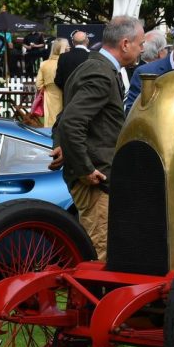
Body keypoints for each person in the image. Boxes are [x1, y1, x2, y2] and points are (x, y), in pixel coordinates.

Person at [55, 16, 145, 260]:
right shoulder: (100, 73)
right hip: (96, 180)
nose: (142, 48)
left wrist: (61, 146)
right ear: (125, 44)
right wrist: (84, 169)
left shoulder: (94, 67)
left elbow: (64, 118)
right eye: (140, 43)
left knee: (102, 252)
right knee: (99, 256)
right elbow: (71, 121)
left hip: (99, 176)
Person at [35, 37, 69, 128]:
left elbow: (38, 84)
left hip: (49, 96)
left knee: (50, 126)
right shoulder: (66, 63)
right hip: (65, 95)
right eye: (68, 46)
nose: (69, 48)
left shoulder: (44, 64)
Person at [54, 30, 91, 97]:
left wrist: (68, 90)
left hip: (69, 98)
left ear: (72, 42)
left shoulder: (63, 57)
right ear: (87, 41)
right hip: (88, 98)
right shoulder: (93, 56)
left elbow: (58, 80)